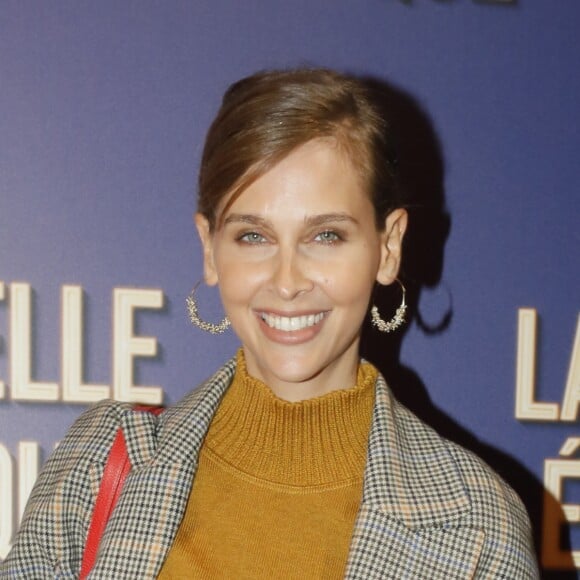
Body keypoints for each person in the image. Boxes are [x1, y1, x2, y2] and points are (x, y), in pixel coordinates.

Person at [1, 68, 538, 579]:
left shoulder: (478, 523)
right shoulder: (99, 465)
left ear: (388, 246)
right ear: (210, 250)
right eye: (252, 236)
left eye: (326, 235)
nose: (286, 282)